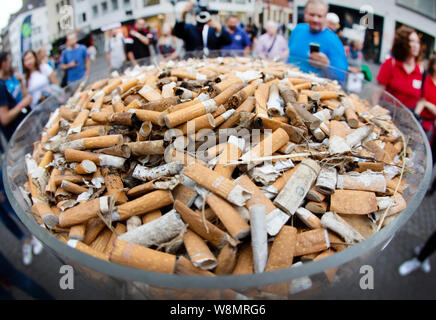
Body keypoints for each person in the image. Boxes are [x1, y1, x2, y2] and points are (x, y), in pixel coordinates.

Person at [0, 52, 42, 266]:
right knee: (16, 193)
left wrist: (23, 89)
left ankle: (30, 235)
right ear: (4, 63)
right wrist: (25, 101)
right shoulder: (0, 85)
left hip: (18, 136)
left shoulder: (9, 80)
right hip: (15, 139)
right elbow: (4, 117)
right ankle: (32, 233)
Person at [287, 0, 348, 82]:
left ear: (325, 17)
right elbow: (289, 53)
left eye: (319, 16)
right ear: (305, 13)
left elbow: (342, 77)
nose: (315, 19)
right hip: (289, 82)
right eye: (312, 15)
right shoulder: (298, 29)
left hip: (314, 90)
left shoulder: (334, 41)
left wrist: (326, 66)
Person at [376, 26, 423, 111]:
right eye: (412, 41)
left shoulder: (421, 71)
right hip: (387, 114)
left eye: (418, 42)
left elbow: (422, 99)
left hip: (406, 119)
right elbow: (378, 91)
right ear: (402, 43)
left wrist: (416, 114)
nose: (416, 45)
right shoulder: (390, 64)